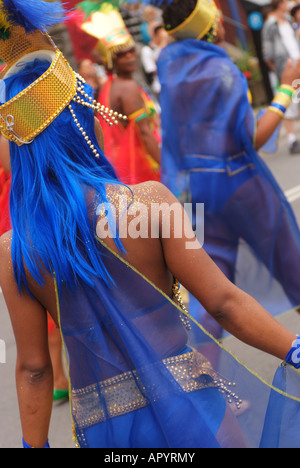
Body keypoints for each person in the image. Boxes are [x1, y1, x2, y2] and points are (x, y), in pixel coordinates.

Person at [2, 0, 300, 449]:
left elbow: (35, 368)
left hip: (107, 435)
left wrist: (33, 445)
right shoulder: (148, 205)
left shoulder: (15, 250)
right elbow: (224, 304)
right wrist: (295, 349)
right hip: (195, 414)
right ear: (83, 122)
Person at [149, 0, 300, 341]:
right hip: (239, 185)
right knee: (292, 266)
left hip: (195, 191)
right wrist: (288, 87)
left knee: (213, 297)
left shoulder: (169, 69)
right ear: (209, 25)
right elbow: (253, 139)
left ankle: (211, 393)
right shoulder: (221, 70)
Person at [80, 2, 161, 184]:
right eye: (122, 54)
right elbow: (145, 134)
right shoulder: (127, 87)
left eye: (131, 50)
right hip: (144, 170)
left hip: (126, 170)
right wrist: (165, 168)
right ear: (111, 60)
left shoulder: (111, 85)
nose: (130, 56)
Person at [262, 0, 300, 154]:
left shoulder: (288, 22)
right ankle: (292, 140)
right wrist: (279, 71)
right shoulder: (270, 25)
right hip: (286, 68)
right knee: (289, 103)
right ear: (280, 4)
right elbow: (267, 54)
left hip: (297, 64)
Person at [140, 22, 170, 99]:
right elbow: (154, 69)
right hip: (160, 87)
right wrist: (163, 42)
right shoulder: (147, 50)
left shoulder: (168, 47)